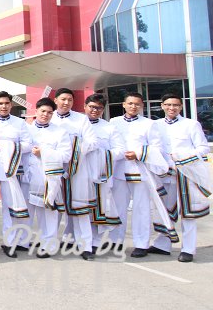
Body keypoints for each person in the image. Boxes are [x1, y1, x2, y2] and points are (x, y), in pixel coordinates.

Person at [110, 92, 177, 258]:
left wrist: (139, 154)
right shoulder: (113, 122)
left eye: (137, 104)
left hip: (140, 171)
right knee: (118, 209)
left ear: (142, 106)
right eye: (130, 103)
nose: (133, 107)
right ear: (124, 105)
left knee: (142, 209)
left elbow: (157, 147)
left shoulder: (149, 124)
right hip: (118, 171)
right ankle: (116, 242)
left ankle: (141, 244)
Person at [151, 93, 210, 262]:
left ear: (181, 107)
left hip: (186, 175)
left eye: (175, 105)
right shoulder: (155, 125)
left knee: (187, 213)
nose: (172, 108)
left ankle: (188, 249)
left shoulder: (191, 125)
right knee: (164, 210)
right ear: (162, 106)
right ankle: (162, 244)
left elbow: (203, 148)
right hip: (164, 174)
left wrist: (182, 158)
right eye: (168, 105)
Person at [51, 88, 98, 256]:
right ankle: (49, 244)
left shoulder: (81, 119)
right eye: (63, 99)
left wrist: (75, 149)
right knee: (53, 207)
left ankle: (85, 246)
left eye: (70, 100)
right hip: (53, 169)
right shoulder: (48, 117)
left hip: (77, 169)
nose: (66, 103)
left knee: (80, 207)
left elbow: (92, 142)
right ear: (55, 100)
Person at [0, 91, 33, 258]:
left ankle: (9, 242)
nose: (4, 106)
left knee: (9, 207)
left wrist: (8, 145)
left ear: (11, 105)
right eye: (0, 103)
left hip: (10, 171)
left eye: (6, 103)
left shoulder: (19, 124)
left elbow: (28, 145)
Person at [27, 98, 72, 258]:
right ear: (36, 111)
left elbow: (66, 155)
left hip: (50, 179)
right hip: (30, 178)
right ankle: (22, 242)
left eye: (49, 112)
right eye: (43, 111)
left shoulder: (60, 132)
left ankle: (48, 244)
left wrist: (44, 152)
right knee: (27, 214)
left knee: (49, 214)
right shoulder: (27, 130)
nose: (45, 115)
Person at [83, 94, 126, 254]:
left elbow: (120, 149)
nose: (95, 110)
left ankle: (94, 242)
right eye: (92, 107)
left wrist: (101, 156)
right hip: (80, 174)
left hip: (101, 174)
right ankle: (77, 239)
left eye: (99, 108)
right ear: (85, 106)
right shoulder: (77, 124)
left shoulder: (109, 127)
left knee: (98, 209)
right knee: (81, 209)